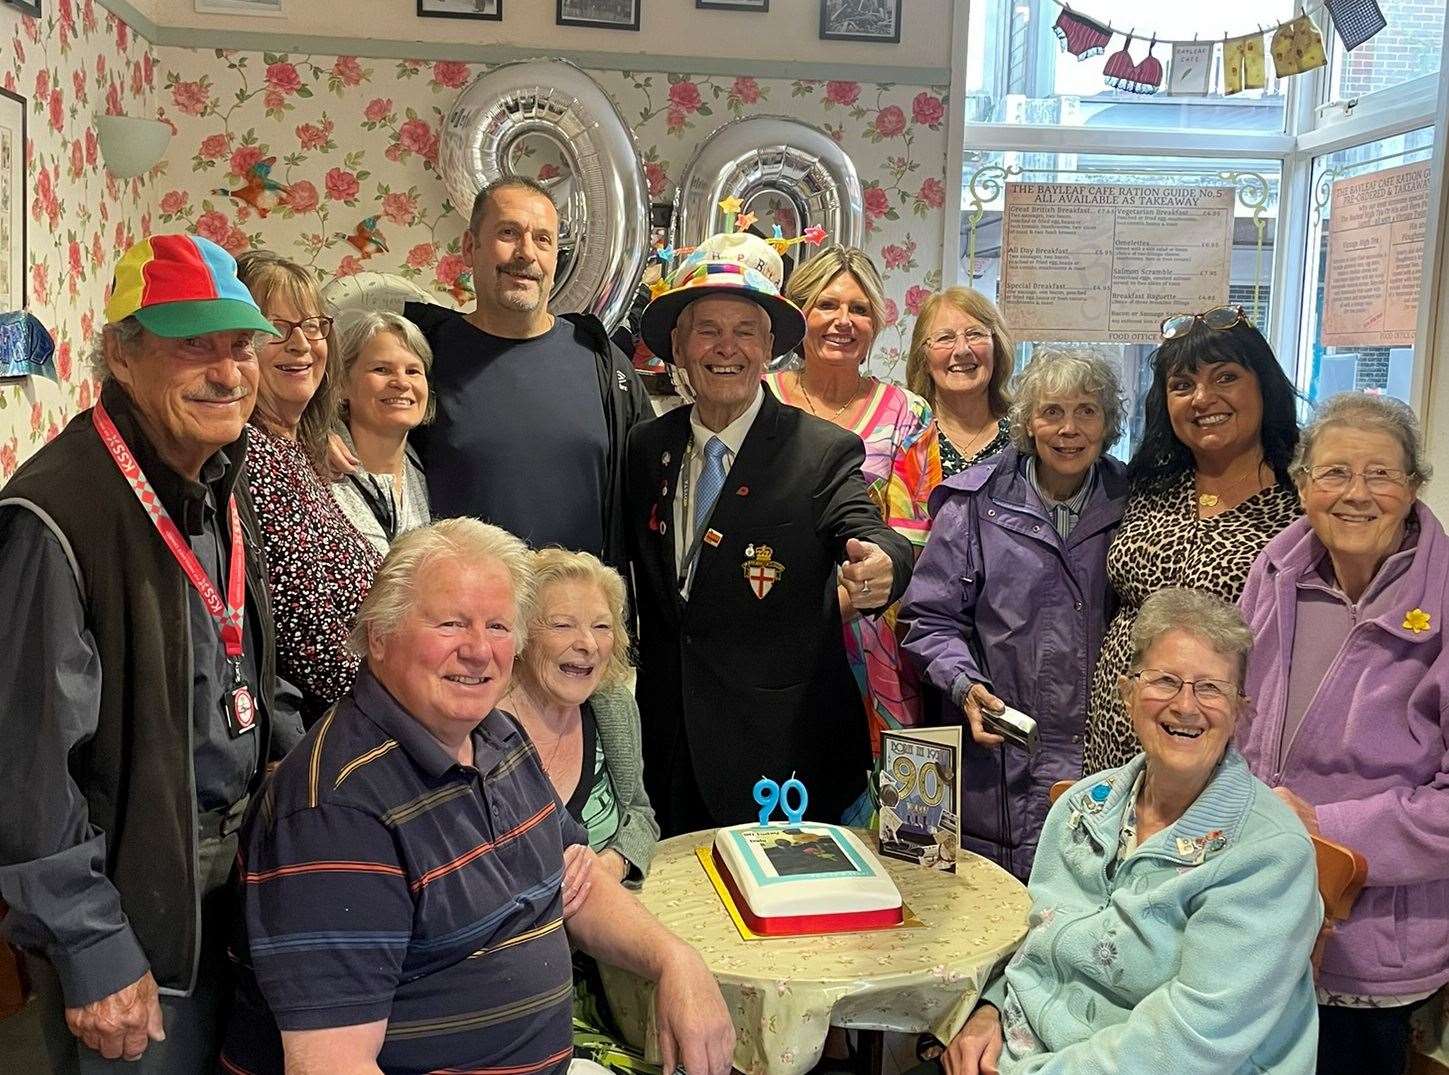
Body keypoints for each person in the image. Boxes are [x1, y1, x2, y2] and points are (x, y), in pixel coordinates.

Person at [221, 519, 734, 1075]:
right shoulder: (335, 811)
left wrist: (676, 960)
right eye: (451, 624)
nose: (479, 651)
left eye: (497, 626)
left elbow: (577, 887)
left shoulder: (497, 736)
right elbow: (329, 1063)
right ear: (378, 635)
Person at [0, 234, 293, 1071]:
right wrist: (94, 949)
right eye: (192, 345)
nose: (227, 370)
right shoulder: (57, 514)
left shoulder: (216, 474)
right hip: (128, 930)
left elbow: (243, 679)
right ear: (122, 357)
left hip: (221, 899)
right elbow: (26, 773)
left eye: (239, 345)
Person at [943, 588, 1321, 1075]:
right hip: (1032, 1050)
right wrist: (990, 1009)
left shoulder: (1267, 854)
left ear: (1240, 712)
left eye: (1211, 688)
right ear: (1127, 694)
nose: (1186, 706)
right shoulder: (1082, 807)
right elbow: (1036, 942)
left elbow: (1191, 1041)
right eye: (1165, 681)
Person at [626, 230, 914, 836]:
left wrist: (885, 562)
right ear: (678, 345)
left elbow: (867, 529)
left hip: (783, 758)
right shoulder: (646, 447)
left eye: (745, 331)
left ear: (769, 350)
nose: (724, 348)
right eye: (706, 330)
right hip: (669, 748)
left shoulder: (821, 450)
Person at [1236, 393, 1449, 1075]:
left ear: (1412, 487)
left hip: (1373, 934)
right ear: (1301, 485)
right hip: (1256, 908)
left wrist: (1318, 829)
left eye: (1380, 474)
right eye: (1332, 473)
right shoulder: (1273, 572)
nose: (1355, 494)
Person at [901, 349, 1128, 879]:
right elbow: (929, 618)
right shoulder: (975, 504)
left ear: (1108, 422)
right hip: (995, 765)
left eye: (1087, 411)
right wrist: (965, 685)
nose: (1069, 429)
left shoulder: (1134, 502)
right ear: (1027, 421)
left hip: (1105, 763)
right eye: (1052, 411)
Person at [393, 175, 650, 578]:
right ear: (469, 247)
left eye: (543, 239)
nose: (526, 253)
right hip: (464, 623)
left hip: (576, 627)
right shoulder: (419, 360)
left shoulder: (604, 366)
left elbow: (653, 493)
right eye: (509, 233)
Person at [1084, 308, 1300, 773]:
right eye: (1182, 385)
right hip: (1116, 733)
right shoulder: (1146, 483)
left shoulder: (1301, 506)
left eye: (1226, 377)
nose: (1203, 398)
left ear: (1263, 386)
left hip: (1217, 746)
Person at [765, 245, 939, 775]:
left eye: (859, 309)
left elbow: (915, 530)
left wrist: (851, 594)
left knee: (873, 795)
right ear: (799, 315)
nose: (843, 321)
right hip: (772, 620)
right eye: (827, 305)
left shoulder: (909, 412)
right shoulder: (762, 399)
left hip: (874, 632)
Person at [236, 250, 382, 725]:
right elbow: (305, 635)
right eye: (275, 327)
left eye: (313, 326)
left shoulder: (296, 447)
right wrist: (402, 699)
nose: (301, 344)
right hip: (333, 721)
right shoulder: (253, 457)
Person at [505, 548, 659, 883]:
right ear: (521, 633)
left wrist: (612, 865)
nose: (589, 644)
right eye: (563, 625)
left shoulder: (613, 705)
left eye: (602, 626)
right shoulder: (480, 728)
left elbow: (641, 814)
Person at [331, 310, 433, 554]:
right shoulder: (318, 470)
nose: (401, 382)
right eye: (382, 370)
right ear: (343, 383)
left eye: (412, 371)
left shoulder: (429, 471)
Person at [905, 287, 1014, 477]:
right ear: (923, 358)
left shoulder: (1024, 434)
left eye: (975, 334)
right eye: (945, 337)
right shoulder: (905, 435)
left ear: (997, 349)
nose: (962, 350)